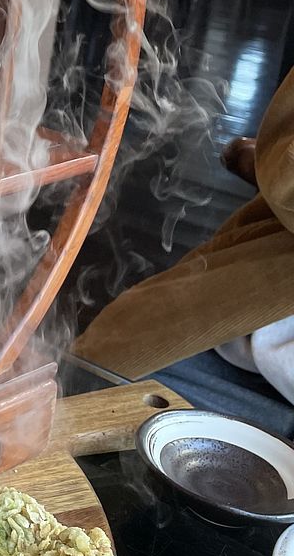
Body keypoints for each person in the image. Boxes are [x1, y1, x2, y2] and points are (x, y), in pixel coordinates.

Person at [73, 66, 294, 436]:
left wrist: (270, 163)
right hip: (251, 350)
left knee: (86, 383)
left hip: (263, 372)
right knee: (91, 371)